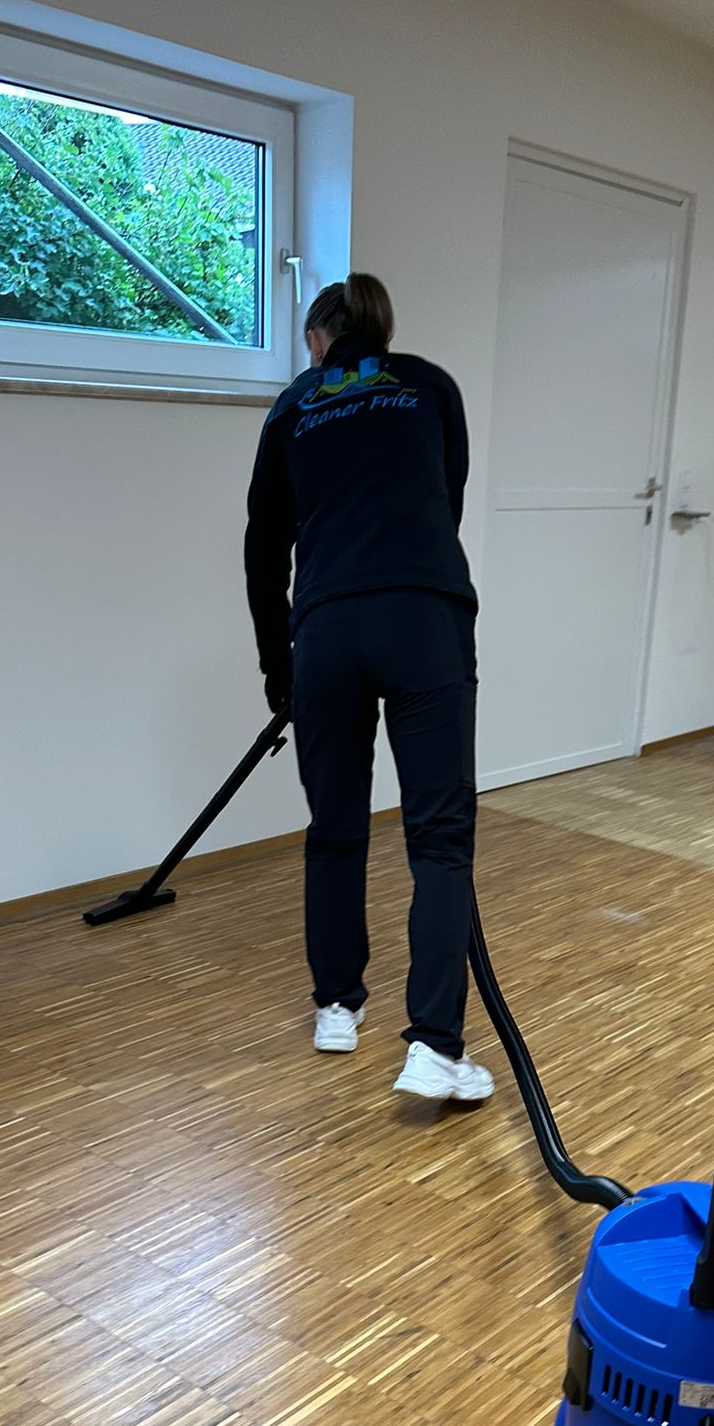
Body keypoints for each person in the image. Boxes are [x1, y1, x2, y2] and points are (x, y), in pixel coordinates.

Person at [244, 272, 494, 1103]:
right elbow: (444, 501)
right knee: (440, 840)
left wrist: (278, 667)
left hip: (324, 631)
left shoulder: (293, 405)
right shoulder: (430, 385)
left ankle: (336, 1008)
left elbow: (262, 550)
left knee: (335, 828)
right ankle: (435, 1048)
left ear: (318, 338)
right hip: (423, 619)